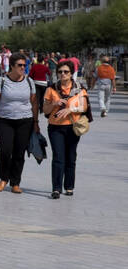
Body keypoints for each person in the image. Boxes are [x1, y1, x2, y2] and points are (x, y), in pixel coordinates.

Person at [0, 54, 40, 194]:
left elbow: (34, 103)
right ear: (12, 66)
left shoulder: (29, 82)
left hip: (24, 121)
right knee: (4, 150)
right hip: (4, 121)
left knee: (19, 152)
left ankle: (15, 182)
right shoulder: (2, 81)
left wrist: (36, 122)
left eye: (24, 65)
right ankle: (3, 179)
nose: (23, 67)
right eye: (20, 65)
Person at [44, 61, 87, 199]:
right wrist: (54, 103)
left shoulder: (79, 88)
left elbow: (83, 107)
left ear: (71, 73)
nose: (63, 74)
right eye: (60, 72)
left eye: (66, 72)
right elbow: (44, 109)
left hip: (72, 127)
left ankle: (69, 186)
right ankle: (56, 188)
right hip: (55, 127)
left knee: (71, 157)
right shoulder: (51, 89)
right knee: (58, 157)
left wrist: (70, 109)